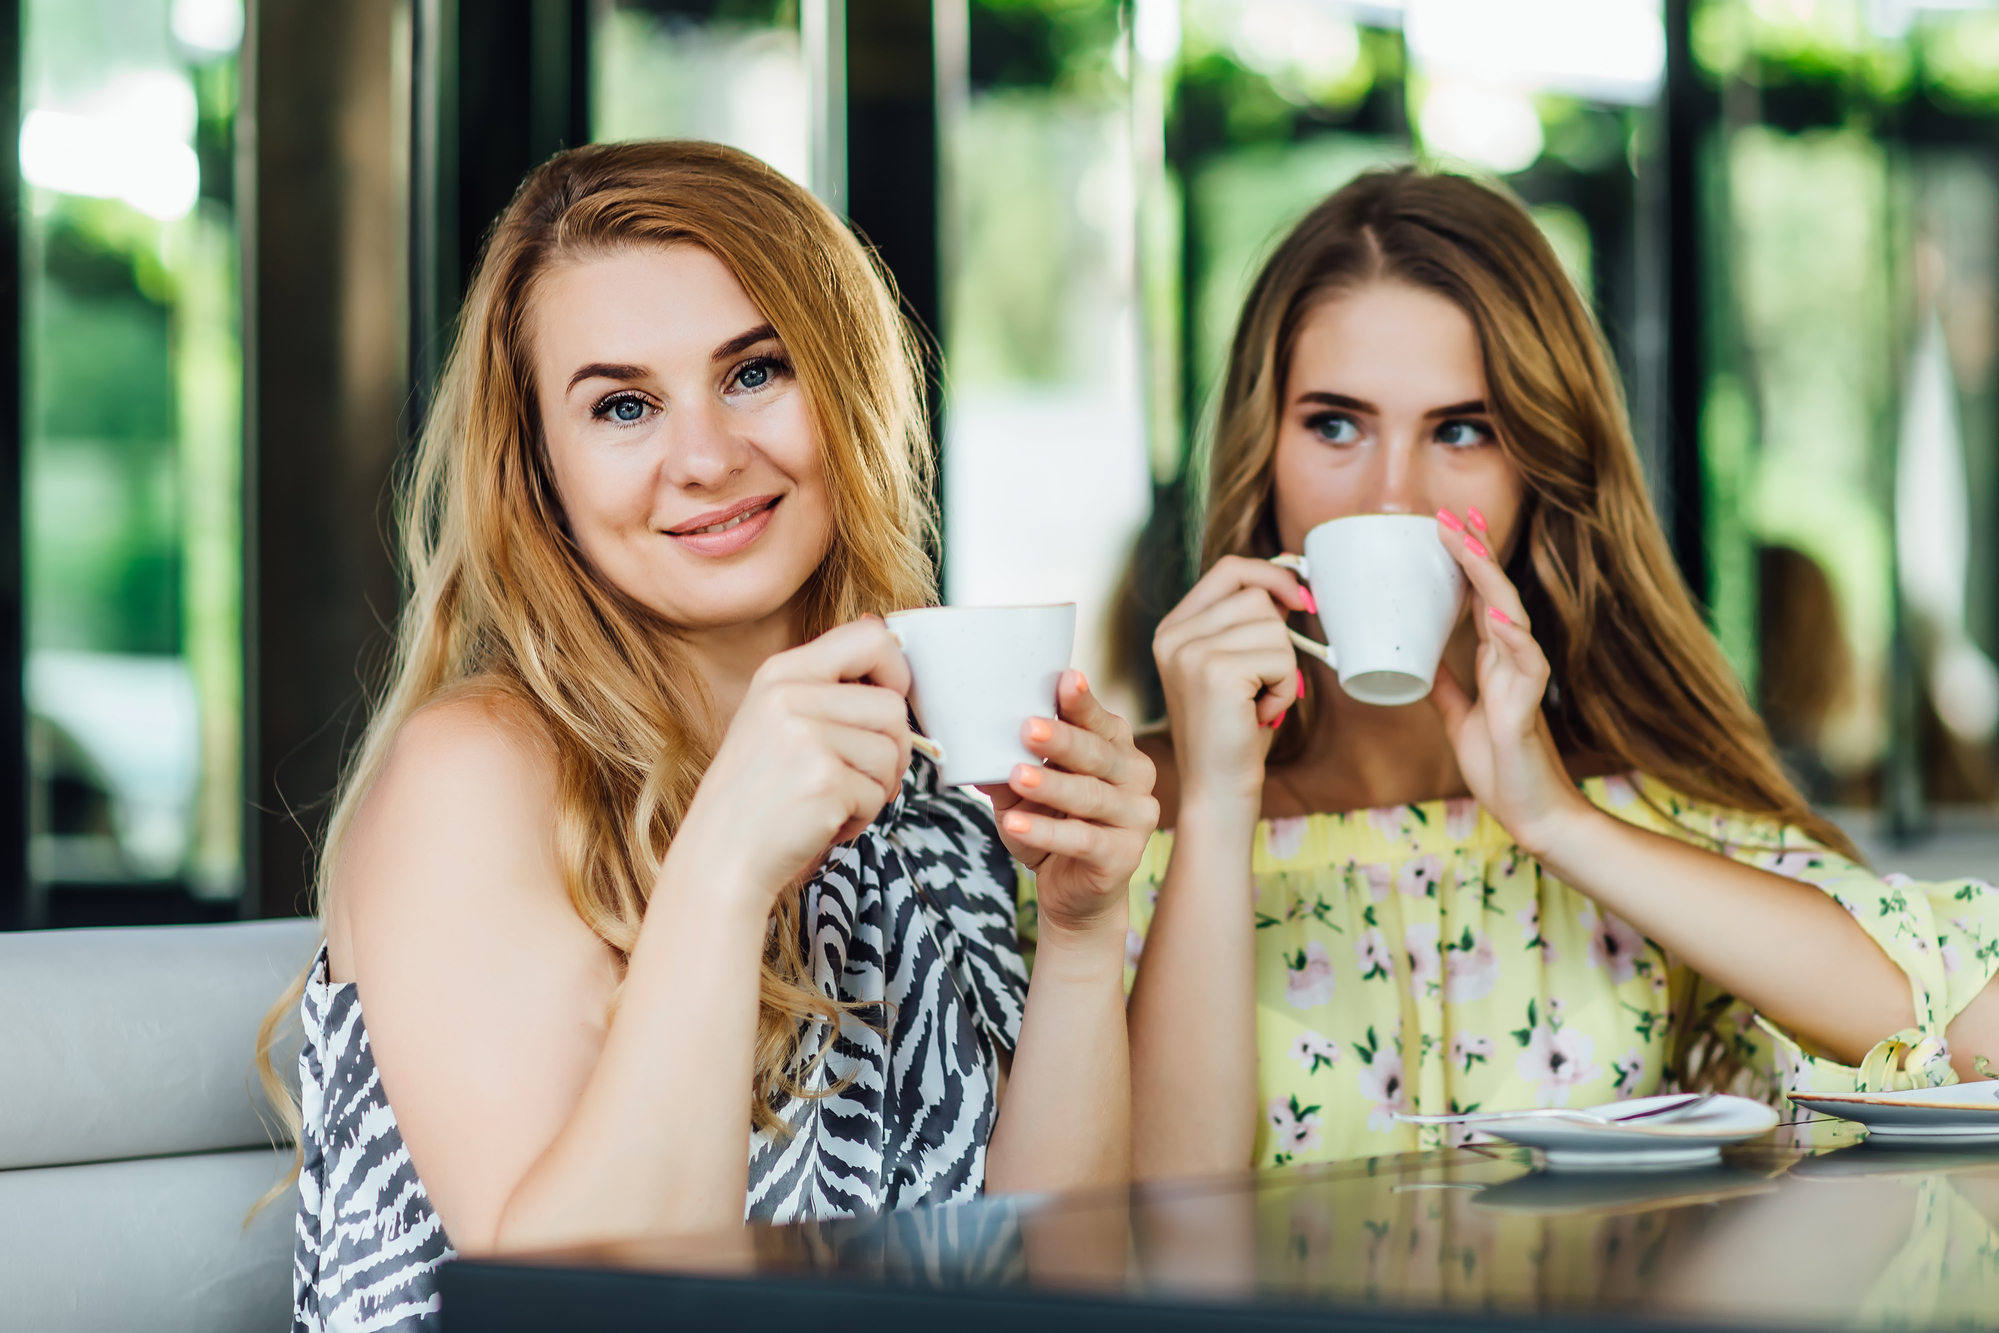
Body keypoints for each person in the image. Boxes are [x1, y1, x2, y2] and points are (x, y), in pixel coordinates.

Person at [259, 140, 1154, 1331]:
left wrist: (1087, 935)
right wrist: (725, 866)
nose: (706, 457)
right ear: (540, 468)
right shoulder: (478, 777)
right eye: (624, 405)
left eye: (755, 372)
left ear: (848, 389)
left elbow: (1048, 1287)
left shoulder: (927, 777)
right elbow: (581, 1305)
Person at [1073, 166, 1999, 1178]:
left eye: (1461, 429)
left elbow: (1970, 1025)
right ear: (1264, 448)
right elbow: (1139, 1227)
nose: (1392, 495)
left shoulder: (1636, 811)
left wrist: (1554, 819)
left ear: (1539, 470)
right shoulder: (1112, 830)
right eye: (1335, 423)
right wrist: (1215, 800)